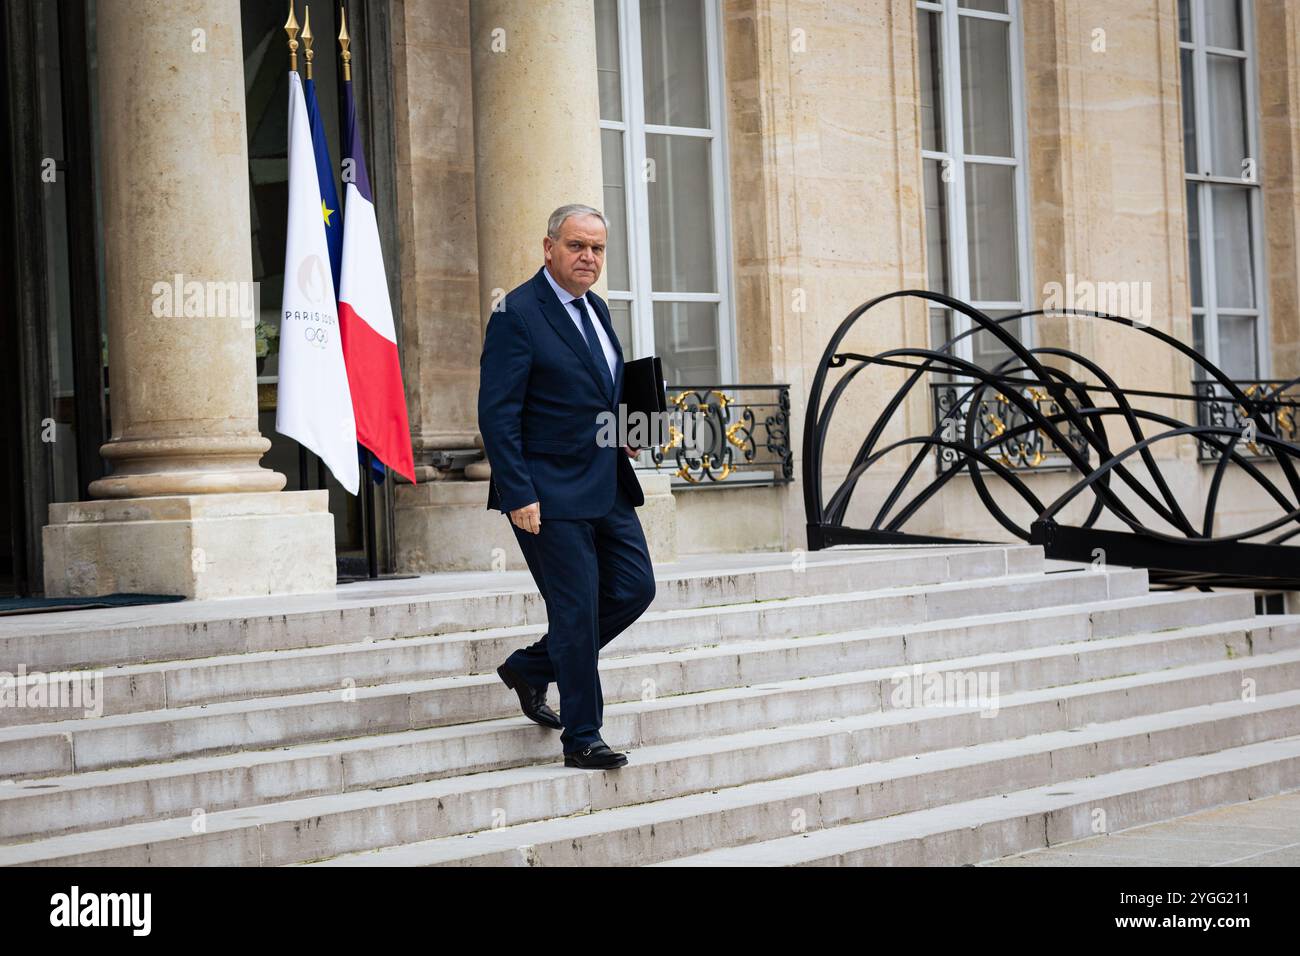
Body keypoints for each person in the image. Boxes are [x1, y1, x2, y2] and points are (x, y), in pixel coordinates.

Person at [477, 203, 657, 770]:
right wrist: (517, 492)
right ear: (548, 247)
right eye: (577, 246)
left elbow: (596, 392)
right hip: (546, 494)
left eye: (598, 249)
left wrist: (629, 429)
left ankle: (531, 667)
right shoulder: (517, 313)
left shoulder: (596, 308)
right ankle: (583, 736)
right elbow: (497, 413)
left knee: (634, 588)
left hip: (605, 481)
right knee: (576, 613)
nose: (588, 257)